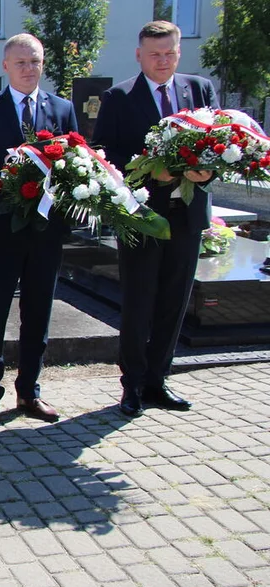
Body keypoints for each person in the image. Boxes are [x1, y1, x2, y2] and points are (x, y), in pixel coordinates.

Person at [92, 21, 218, 417]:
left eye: (169, 53)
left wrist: (207, 172)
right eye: (154, 54)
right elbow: (108, 155)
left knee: (173, 302)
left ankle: (158, 380)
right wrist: (149, 172)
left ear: (178, 53)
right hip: (143, 217)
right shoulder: (119, 97)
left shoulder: (199, 89)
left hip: (187, 214)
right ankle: (131, 385)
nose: (162, 61)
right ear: (139, 55)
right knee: (139, 301)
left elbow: (217, 142)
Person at [0, 33, 79, 424]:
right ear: (6, 66)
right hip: (0, 230)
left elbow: (75, 162)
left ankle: (29, 391)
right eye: (22, 63)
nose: (30, 69)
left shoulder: (61, 109)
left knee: (38, 311)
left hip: (45, 231)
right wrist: (5, 187)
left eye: (36, 62)